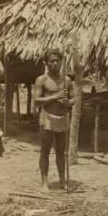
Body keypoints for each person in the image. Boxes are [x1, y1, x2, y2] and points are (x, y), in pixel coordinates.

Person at [33, 48, 75, 193]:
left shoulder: (67, 80)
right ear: (46, 63)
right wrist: (55, 97)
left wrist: (68, 103)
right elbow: (37, 100)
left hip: (62, 118)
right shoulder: (41, 80)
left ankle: (63, 180)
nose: (55, 63)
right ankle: (45, 181)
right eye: (52, 61)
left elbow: (74, 98)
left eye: (58, 61)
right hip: (47, 118)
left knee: (61, 151)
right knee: (44, 151)